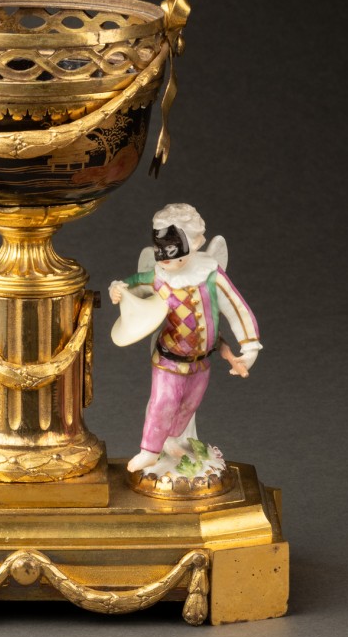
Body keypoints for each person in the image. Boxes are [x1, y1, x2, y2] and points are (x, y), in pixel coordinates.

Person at [109, 203, 261, 474]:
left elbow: (237, 307)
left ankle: (173, 442)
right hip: (169, 358)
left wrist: (249, 347)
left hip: (201, 361)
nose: (165, 260)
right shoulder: (157, 277)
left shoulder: (210, 273)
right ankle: (149, 451)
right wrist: (117, 289)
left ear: (196, 242)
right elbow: (132, 284)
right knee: (163, 402)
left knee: (189, 405)